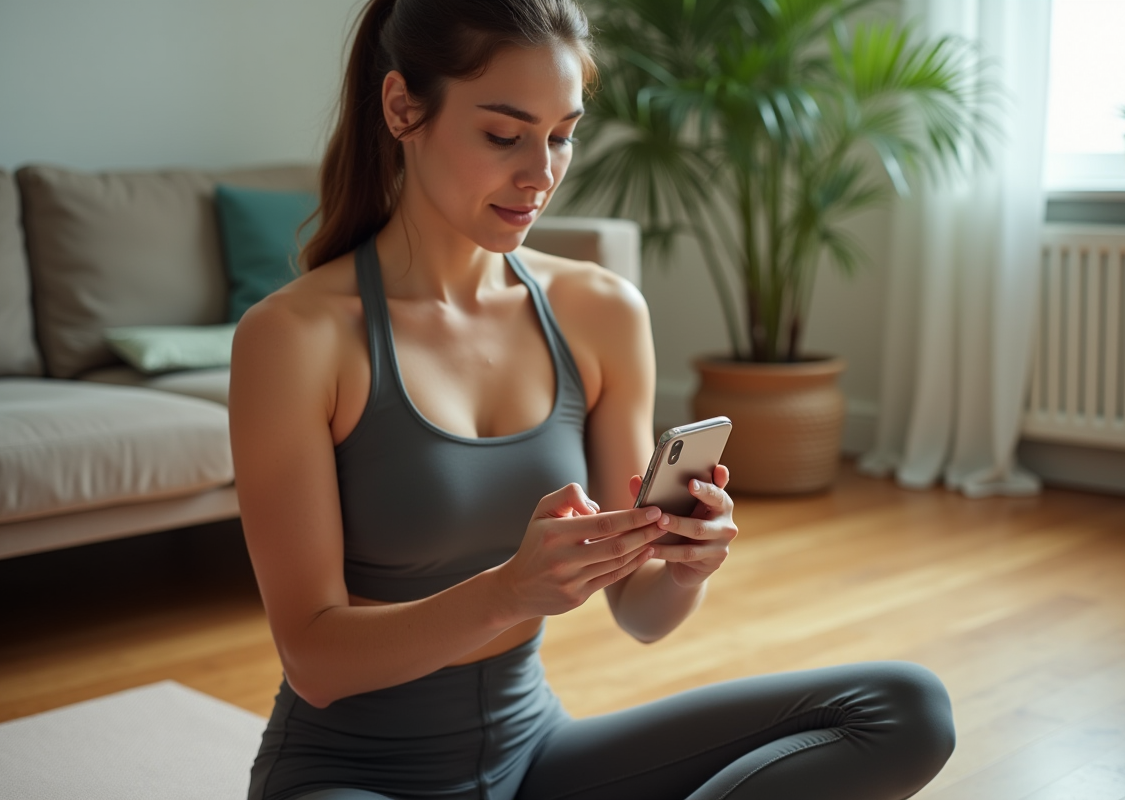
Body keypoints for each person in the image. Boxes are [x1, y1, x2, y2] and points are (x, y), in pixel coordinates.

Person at [227, 1, 956, 798]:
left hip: (533, 754)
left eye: (562, 133)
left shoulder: (601, 312)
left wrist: (684, 566)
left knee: (902, 708)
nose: (540, 173)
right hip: (356, 773)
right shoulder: (294, 338)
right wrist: (509, 591)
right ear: (403, 107)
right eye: (504, 135)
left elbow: (640, 614)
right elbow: (315, 662)